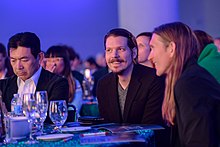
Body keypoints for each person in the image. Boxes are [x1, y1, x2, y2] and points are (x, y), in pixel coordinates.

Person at [148, 22, 220, 147]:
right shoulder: (190, 77)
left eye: (152, 48)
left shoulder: (190, 83)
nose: (150, 56)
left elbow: (199, 141)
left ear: (171, 48)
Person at [0, 32, 69, 123]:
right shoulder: (4, 85)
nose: (18, 66)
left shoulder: (57, 83)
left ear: (40, 57)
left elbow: (53, 120)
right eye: (13, 60)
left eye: (24, 60)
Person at [45, 45, 83, 116]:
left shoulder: (74, 83)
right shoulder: (41, 81)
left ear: (65, 62)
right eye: (48, 60)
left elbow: (74, 109)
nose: (53, 63)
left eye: (57, 60)